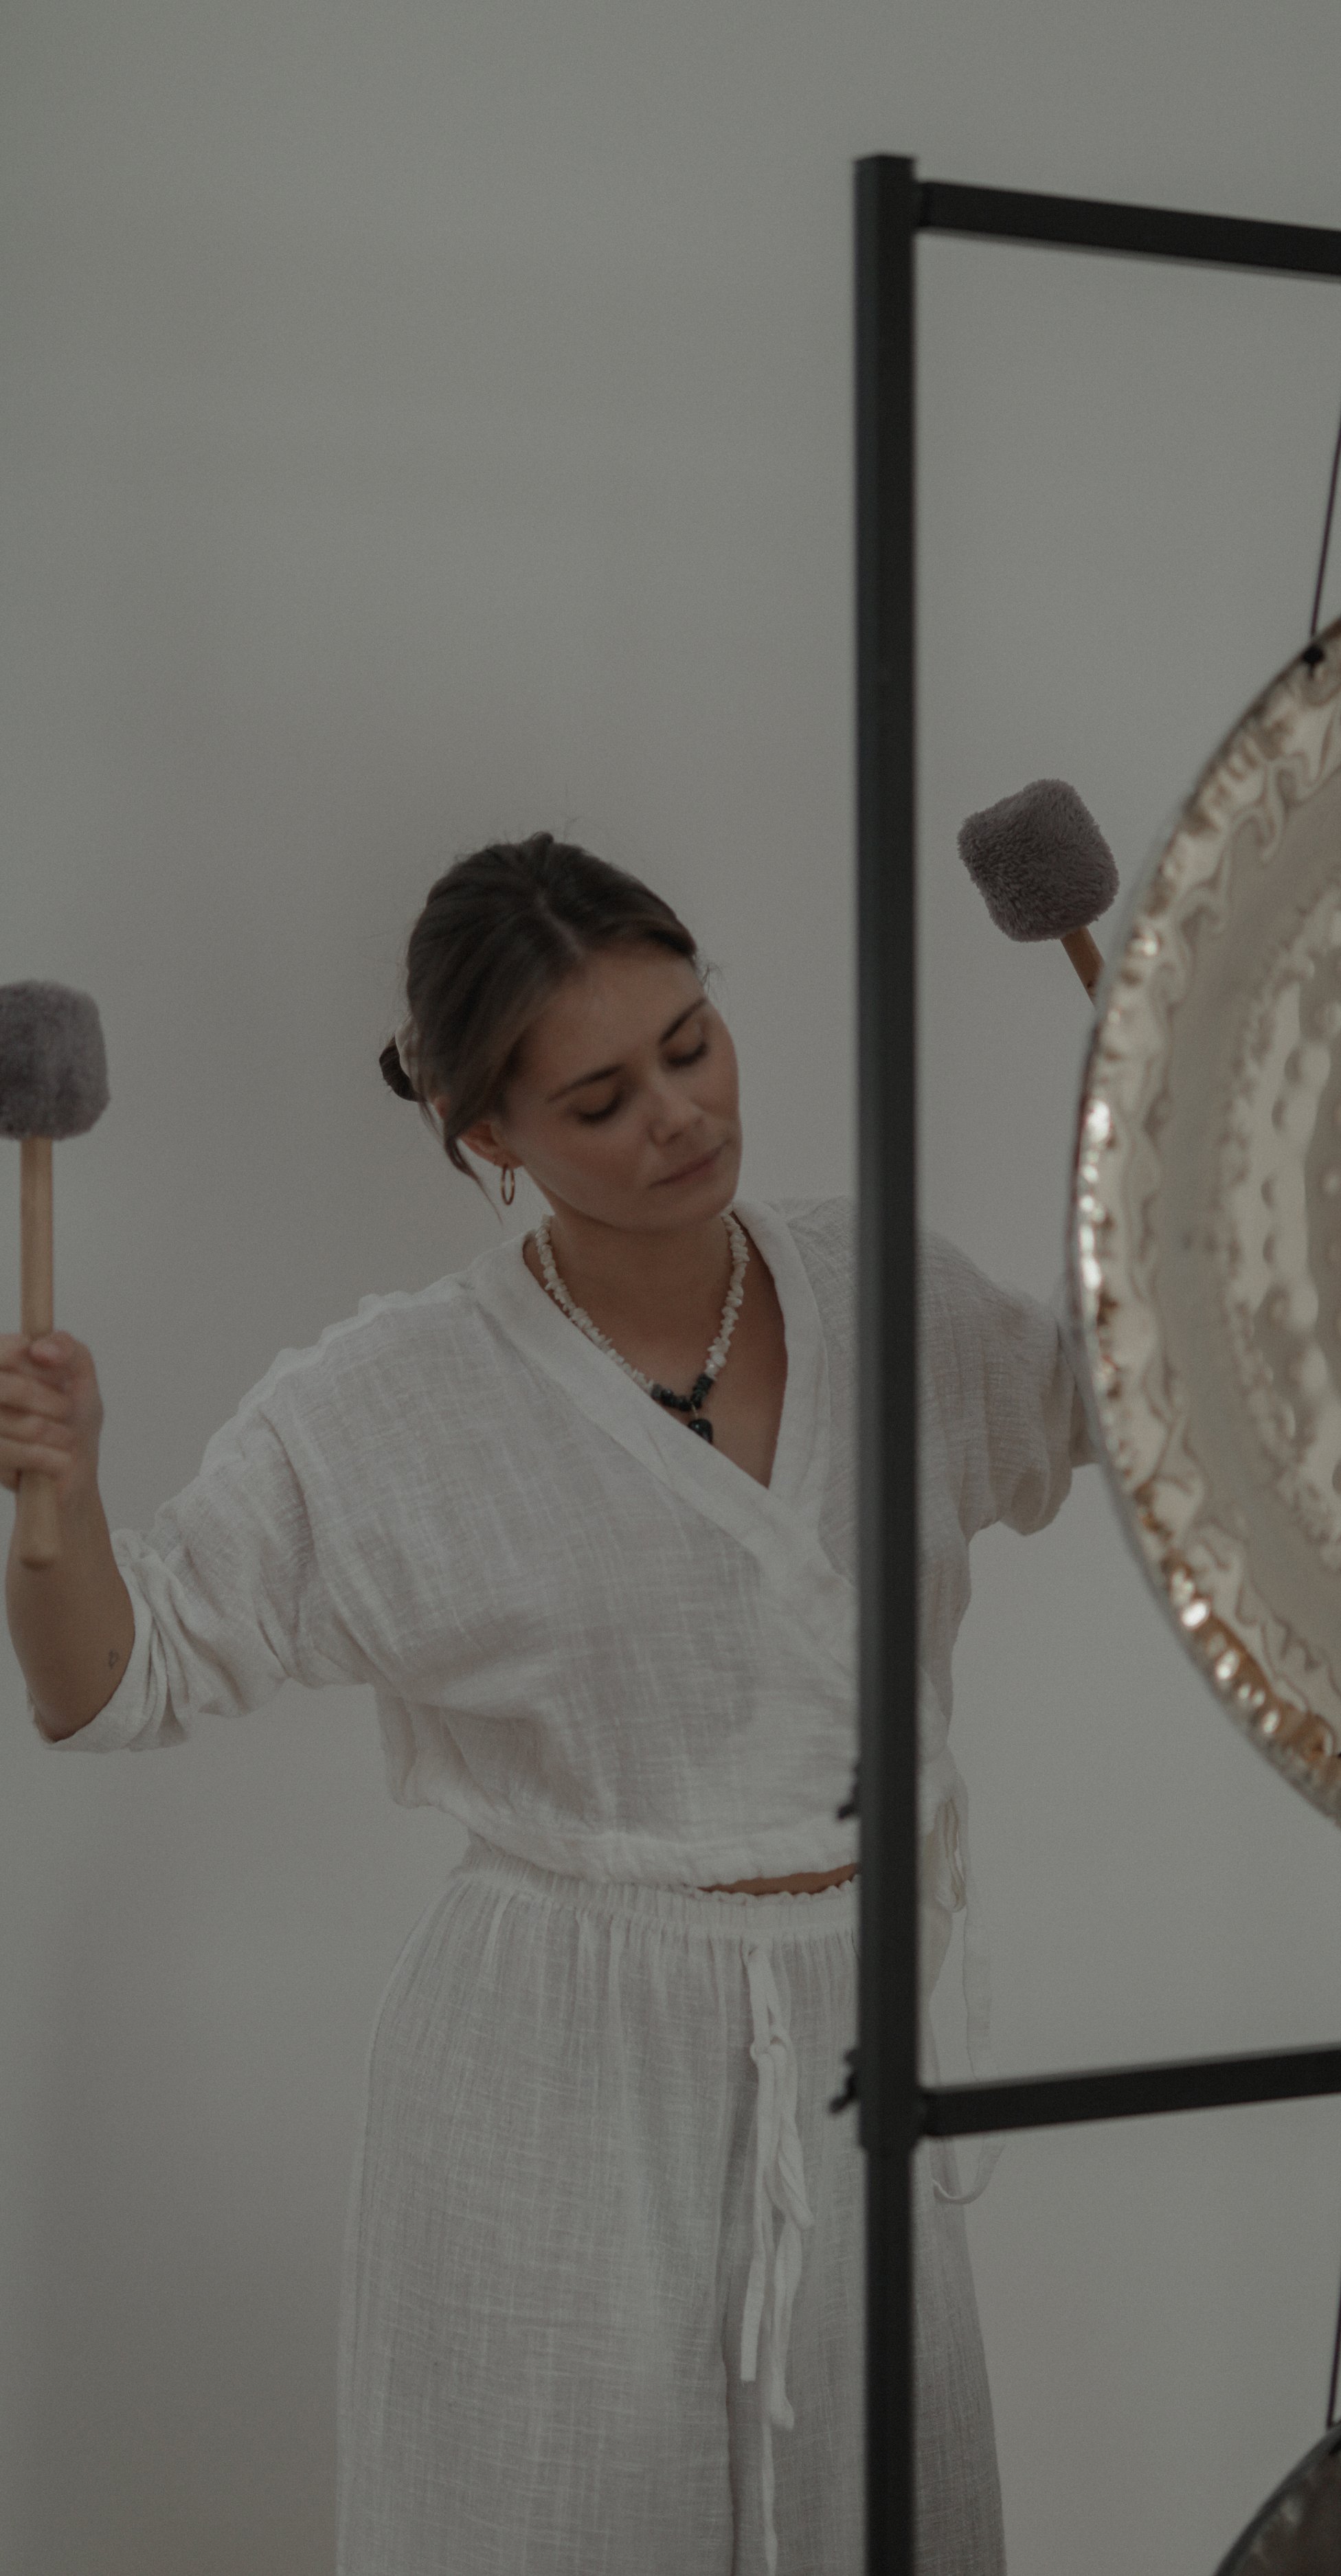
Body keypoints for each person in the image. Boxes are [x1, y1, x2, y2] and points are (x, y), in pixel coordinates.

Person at [1, 833, 1096, 2576]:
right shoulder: (388, 1404)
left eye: (690, 1042)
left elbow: (1111, 1408)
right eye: (597, 1098)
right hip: (550, 2084)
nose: (677, 1113)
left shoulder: (895, 1297)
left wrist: (1213, 1161)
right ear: (486, 1137)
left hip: (845, 2029)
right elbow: (114, 1682)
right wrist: (57, 1503)